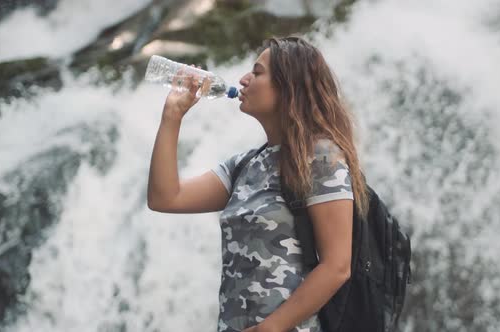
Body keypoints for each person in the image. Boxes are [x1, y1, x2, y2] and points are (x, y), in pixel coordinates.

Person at [147, 36, 370, 332]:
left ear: (289, 85)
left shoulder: (320, 157)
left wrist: (272, 328)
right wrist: (172, 114)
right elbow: (165, 198)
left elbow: (337, 266)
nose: (243, 79)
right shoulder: (244, 166)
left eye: (257, 72)